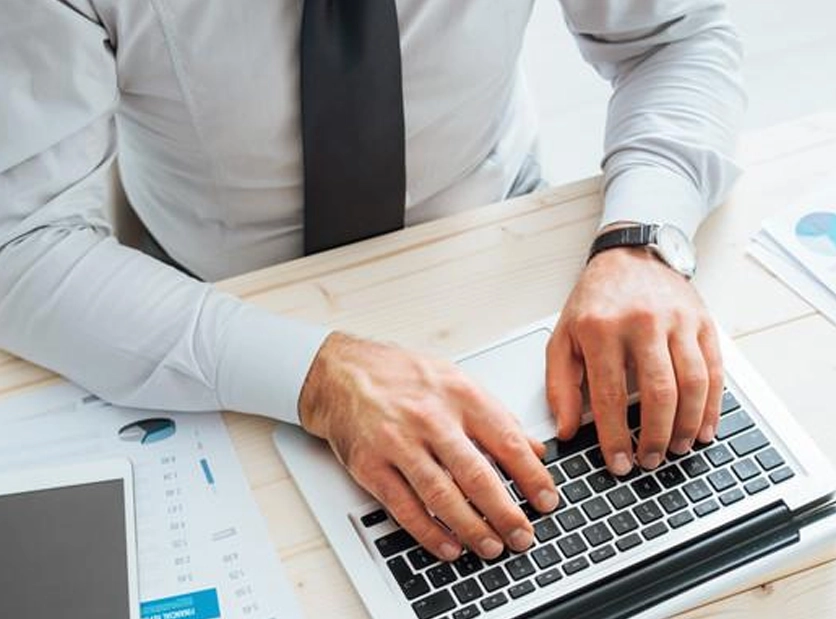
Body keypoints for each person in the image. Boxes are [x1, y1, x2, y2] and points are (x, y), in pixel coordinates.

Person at [0, 1, 744, 563]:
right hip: (215, 318)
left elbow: (674, 38)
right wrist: (316, 377)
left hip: (504, 256)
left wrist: (642, 238)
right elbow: (19, 241)